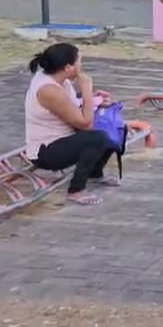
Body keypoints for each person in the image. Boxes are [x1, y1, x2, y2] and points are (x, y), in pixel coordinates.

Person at [24, 43, 116, 206]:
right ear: (68, 67)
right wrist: (87, 89)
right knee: (97, 137)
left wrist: (95, 99)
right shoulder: (48, 90)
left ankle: (95, 174)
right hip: (46, 152)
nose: (81, 66)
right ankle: (76, 190)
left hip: (64, 139)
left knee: (110, 127)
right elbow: (85, 124)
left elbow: (71, 105)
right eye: (79, 61)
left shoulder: (58, 79)